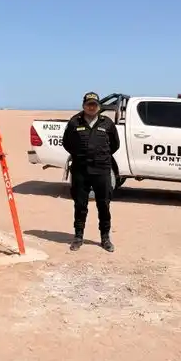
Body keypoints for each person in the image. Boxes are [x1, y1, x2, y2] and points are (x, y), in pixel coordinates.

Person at [61, 91, 120, 252]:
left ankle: (105, 238)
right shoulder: (74, 122)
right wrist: (80, 155)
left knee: (103, 204)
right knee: (80, 204)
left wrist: (100, 156)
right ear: (83, 105)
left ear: (99, 106)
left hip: (101, 170)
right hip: (80, 170)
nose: (91, 107)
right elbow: (67, 143)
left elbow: (115, 145)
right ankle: (78, 237)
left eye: (94, 104)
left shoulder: (107, 123)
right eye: (89, 104)